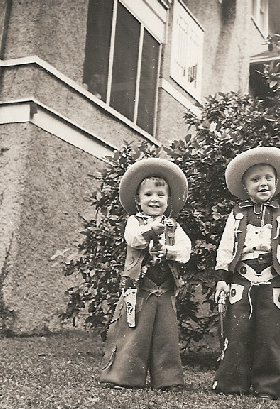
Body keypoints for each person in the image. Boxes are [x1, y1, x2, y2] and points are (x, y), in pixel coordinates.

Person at [212, 147, 280, 400]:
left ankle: (270, 386)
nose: (263, 183)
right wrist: (222, 278)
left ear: (276, 182)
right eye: (255, 179)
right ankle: (232, 383)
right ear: (245, 186)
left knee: (270, 333)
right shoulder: (237, 215)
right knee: (237, 331)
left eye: (268, 178)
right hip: (241, 279)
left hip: (272, 281)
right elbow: (226, 246)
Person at [100, 158, 191, 390]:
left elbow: (185, 251)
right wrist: (151, 231)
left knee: (166, 334)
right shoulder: (135, 222)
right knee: (134, 332)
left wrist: (168, 251)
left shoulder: (173, 227)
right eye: (148, 194)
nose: (154, 199)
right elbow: (134, 240)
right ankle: (124, 377)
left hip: (165, 288)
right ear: (138, 200)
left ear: (168, 200)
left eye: (160, 195)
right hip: (140, 287)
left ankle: (168, 380)